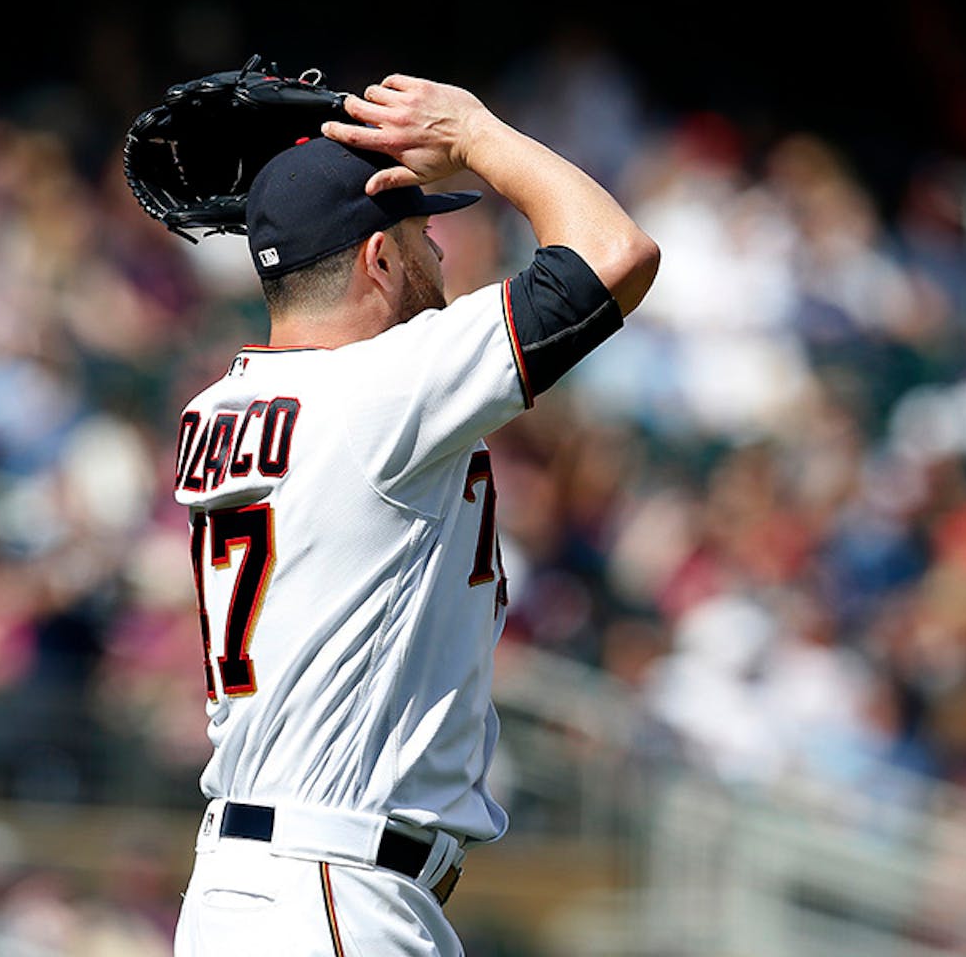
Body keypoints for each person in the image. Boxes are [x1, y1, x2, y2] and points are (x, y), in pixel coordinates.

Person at [168, 74, 659, 957]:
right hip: (334, 888)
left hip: (240, 890)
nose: (441, 251)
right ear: (378, 261)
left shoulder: (218, 406)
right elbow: (614, 253)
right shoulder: (380, 391)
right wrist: (475, 132)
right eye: (424, 233)